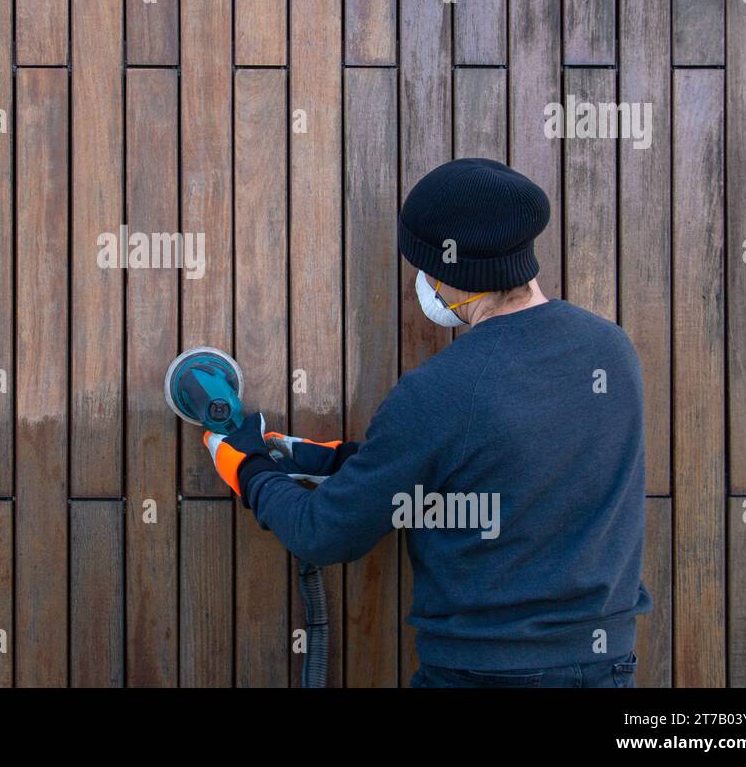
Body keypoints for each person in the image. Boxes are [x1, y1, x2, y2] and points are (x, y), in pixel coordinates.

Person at [205, 157, 651, 688]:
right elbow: (501, 467)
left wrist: (250, 469)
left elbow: (323, 534)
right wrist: (336, 459)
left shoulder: (441, 390)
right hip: (607, 666)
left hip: (484, 675)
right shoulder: (611, 350)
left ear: (446, 274)